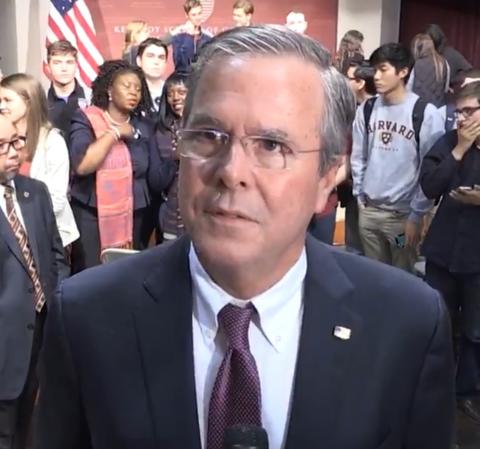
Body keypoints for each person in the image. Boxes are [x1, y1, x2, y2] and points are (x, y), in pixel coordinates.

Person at [35, 25, 455, 449]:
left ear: (327, 177)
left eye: (271, 145)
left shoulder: (407, 326)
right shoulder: (87, 316)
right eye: (208, 136)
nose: (231, 171)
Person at [0, 114, 68, 449]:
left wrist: (56, 304)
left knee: (28, 429)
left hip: (39, 335)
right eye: (2, 146)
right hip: (4, 341)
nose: (14, 152)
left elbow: (56, 256)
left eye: (17, 141)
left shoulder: (35, 192)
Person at [351, 43, 445, 273]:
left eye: (383, 69)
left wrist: (417, 214)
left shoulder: (425, 113)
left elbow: (430, 170)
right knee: (374, 273)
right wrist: (360, 195)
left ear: (403, 72)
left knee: (401, 274)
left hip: (402, 219)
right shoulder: (367, 109)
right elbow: (358, 156)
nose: (377, 76)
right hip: (370, 213)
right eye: (375, 70)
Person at [68, 60, 169, 273]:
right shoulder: (87, 119)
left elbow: (154, 176)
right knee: (92, 275)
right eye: (127, 86)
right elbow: (83, 165)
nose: (133, 92)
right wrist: (114, 133)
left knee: (127, 274)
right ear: (110, 91)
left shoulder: (145, 126)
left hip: (136, 216)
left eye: (138, 88)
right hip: (91, 215)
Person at [420, 81, 480, 425]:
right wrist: (459, 150)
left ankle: (466, 393)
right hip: (443, 251)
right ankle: (432, 386)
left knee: (475, 331)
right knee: (437, 322)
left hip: (476, 259)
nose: (461, 119)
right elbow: (430, 186)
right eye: (458, 112)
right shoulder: (449, 141)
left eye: (469, 111)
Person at [0, 73, 79, 248]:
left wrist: (21, 219)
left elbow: (57, 200)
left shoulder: (52, 141)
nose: (2, 106)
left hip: (48, 236)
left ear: (28, 102)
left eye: (7, 100)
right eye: (0, 100)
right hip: (11, 238)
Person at [338, 60, 376, 254]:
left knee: (398, 249)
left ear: (360, 83)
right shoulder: (349, 109)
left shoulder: (380, 111)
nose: (344, 82)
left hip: (391, 207)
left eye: (348, 78)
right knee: (355, 248)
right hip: (356, 193)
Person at [149, 71, 188, 241]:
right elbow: (156, 182)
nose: (175, 98)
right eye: (170, 94)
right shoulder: (160, 132)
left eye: (181, 92)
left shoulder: (207, 128)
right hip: (170, 218)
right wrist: (175, 158)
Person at [46, 40, 90, 139]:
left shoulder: (91, 98)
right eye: (57, 63)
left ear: (76, 66)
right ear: (48, 67)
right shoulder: (40, 101)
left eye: (69, 62)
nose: (64, 68)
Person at [409, 34, 449, 110]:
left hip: (419, 108)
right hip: (438, 108)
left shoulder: (418, 64)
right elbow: (446, 88)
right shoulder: (443, 62)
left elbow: (409, 88)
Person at [171, 0, 212, 73]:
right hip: (184, 77)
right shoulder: (178, 36)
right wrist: (189, 36)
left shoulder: (208, 37)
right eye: (194, 15)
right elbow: (179, 65)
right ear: (187, 15)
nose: (198, 17)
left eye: (199, 13)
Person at [136, 38, 169, 113]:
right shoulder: (132, 91)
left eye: (161, 57)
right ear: (139, 61)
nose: (156, 62)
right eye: (150, 56)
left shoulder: (172, 91)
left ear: (166, 63)